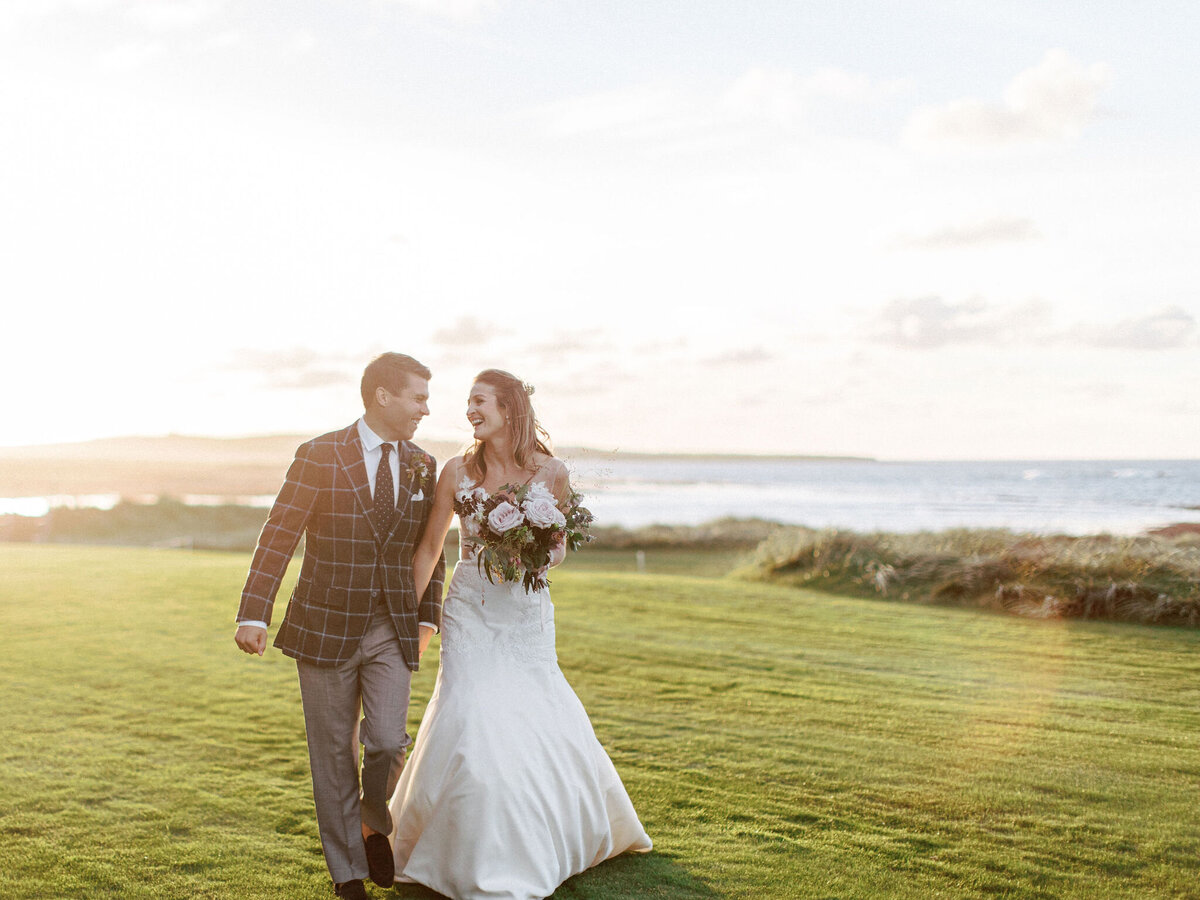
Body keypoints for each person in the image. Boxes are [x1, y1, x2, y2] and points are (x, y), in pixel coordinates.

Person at [387, 368, 652, 900]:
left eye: (479, 400)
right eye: (467, 402)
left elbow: (559, 544)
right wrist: (404, 612)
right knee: (469, 714)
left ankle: (541, 840)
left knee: (536, 713)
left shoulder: (551, 472)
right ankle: (460, 849)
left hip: (525, 611)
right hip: (471, 609)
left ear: (509, 407)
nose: (469, 410)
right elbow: (431, 547)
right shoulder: (456, 471)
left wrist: (537, 554)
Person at [234, 353, 446, 900]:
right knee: (331, 755)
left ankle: (372, 821)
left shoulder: (424, 464)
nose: (426, 408)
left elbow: (433, 549)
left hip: (391, 627)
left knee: (384, 742)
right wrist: (255, 611)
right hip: (324, 626)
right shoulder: (320, 454)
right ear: (382, 396)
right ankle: (347, 872)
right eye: (418, 397)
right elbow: (279, 535)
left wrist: (428, 618)